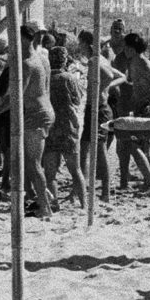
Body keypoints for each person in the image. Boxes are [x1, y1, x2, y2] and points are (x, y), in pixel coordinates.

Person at [115, 33, 150, 194]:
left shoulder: (143, 63)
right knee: (143, 149)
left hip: (147, 108)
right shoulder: (134, 62)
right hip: (140, 108)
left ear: (131, 48)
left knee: (133, 145)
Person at [41, 43, 87, 208]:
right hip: (68, 126)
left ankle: (54, 203)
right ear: (64, 60)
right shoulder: (69, 78)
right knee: (76, 171)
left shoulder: (45, 78)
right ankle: (84, 204)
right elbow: (77, 100)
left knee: (50, 173)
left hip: (50, 126)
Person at [19, 25, 55, 218]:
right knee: (31, 162)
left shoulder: (27, 63)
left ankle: (45, 207)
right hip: (45, 111)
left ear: (24, 40)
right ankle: (44, 196)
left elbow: (17, 97)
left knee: (33, 164)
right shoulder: (41, 59)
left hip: (37, 115)